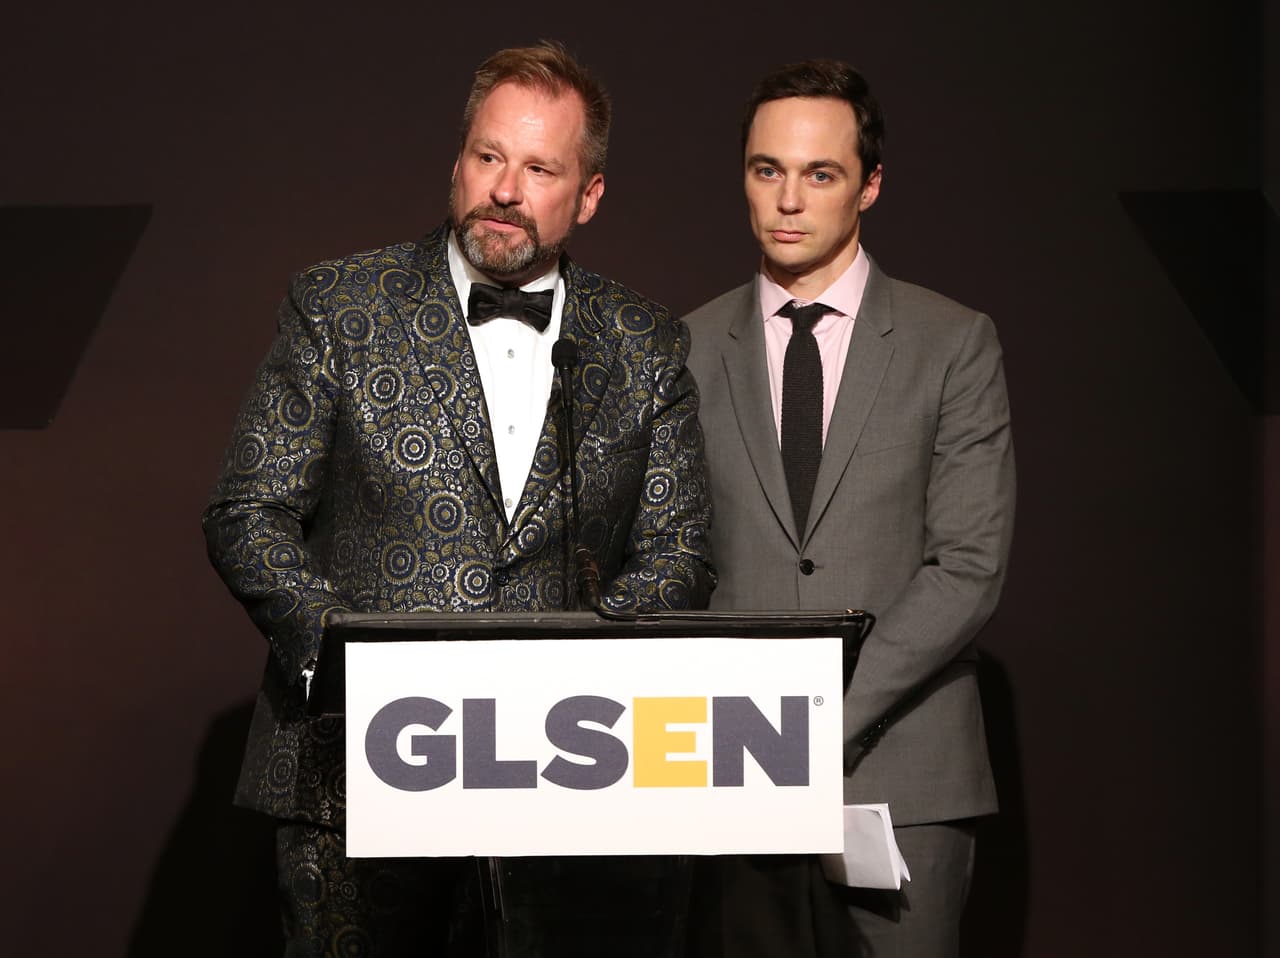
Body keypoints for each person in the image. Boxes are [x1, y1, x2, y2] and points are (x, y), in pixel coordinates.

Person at [202, 40, 714, 957]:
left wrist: (581, 682)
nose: (506, 189)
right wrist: (344, 659)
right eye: (488, 156)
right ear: (458, 161)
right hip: (351, 782)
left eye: (539, 167)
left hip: (560, 789)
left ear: (588, 195)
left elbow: (679, 552)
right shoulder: (339, 306)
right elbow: (249, 509)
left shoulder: (645, 343)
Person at [683, 59, 1015, 957]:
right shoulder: (683, 348)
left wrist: (821, 715)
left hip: (903, 779)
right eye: (766, 170)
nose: (788, 200)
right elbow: (674, 564)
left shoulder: (953, 343)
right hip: (731, 778)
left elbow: (969, 566)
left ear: (869, 185)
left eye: (819, 174)